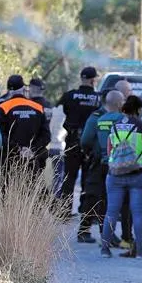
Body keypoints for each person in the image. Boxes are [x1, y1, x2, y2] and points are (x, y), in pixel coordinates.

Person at [100, 95, 142, 258]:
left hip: (115, 174)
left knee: (111, 211)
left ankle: (105, 249)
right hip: (138, 174)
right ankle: (140, 251)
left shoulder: (114, 127)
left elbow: (110, 151)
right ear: (138, 109)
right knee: (138, 213)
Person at [84, 91, 128, 251]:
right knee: (116, 201)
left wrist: (92, 152)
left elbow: (86, 139)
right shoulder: (123, 119)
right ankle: (119, 236)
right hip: (120, 165)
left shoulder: (98, 118)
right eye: (124, 99)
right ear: (118, 103)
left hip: (99, 162)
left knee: (98, 197)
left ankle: (101, 233)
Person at [56, 67, 102, 214]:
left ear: (82, 78)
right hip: (91, 144)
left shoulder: (69, 96)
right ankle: (86, 211)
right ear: (93, 80)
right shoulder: (99, 98)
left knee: (69, 177)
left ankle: (64, 211)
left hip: (72, 142)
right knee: (88, 179)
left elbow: (58, 112)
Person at [74, 89, 115, 243]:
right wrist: (94, 153)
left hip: (109, 163)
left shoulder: (113, 116)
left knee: (105, 198)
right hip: (98, 162)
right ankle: (84, 231)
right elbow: (85, 140)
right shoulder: (97, 117)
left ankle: (105, 233)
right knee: (92, 196)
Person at [0, 74, 50, 172]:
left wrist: (18, 149)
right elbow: (46, 136)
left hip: (9, 161)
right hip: (32, 159)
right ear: (23, 88)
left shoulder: (3, 107)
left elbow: (0, 135)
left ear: (9, 90)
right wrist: (31, 149)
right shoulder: (38, 107)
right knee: (31, 186)